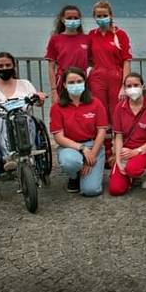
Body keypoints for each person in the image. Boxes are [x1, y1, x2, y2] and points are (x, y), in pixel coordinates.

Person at [0, 52, 46, 171]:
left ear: (14, 66)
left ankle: (28, 154)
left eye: (8, 65)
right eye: (1, 66)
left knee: (25, 120)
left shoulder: (25, 84)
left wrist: (39, 96)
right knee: (4, 122)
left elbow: (38, 102)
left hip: (21, 116)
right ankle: (9, 157)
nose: (5, 68)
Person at [50, 67, 108, 196]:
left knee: (91, 191)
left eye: (79, 81)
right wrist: (82, 148)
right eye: (71, 82)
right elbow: (59, 138)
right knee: (70, 161)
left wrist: (92, 155)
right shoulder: (57, 107)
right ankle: (74, 175)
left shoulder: (96, 103)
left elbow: (101, 132)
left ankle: (88, 174)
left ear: (85, 82)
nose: (75, 85)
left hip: (93, 146)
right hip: (70, 147)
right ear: (64, 85)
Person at [88, 0, 132, 165]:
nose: (102, 18)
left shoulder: (120, 35)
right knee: (101, 116)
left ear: (111, 15)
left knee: (117, 114)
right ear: (94, 17)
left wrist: (124, 85)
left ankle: (118, 152)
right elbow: (87, 58)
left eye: (105, 15)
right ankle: (105, 153)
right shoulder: (92, 35)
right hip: (97, 79)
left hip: (116, 77)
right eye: (98, 16)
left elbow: (126, 60)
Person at [108, 73, 146, 196]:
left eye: (136, 85)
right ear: (125, 89)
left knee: (133, 169)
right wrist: (118, 160)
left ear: (143, 86)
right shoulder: (119, 107)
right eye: (129, 86)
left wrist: (137, 151)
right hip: (125, 150)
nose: (132, 88)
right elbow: (118, 136)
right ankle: (130, 175)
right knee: (115, 189)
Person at [45, 5, 90, 104]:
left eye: (76, 18)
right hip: (62, 83)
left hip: (82, 82)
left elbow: (92, 61)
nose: (73, 20)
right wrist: (53, 90)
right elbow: (51, 67)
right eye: (69, 18)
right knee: (62, 110)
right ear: (62, 19)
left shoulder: (87, 39)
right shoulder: (55, 39)